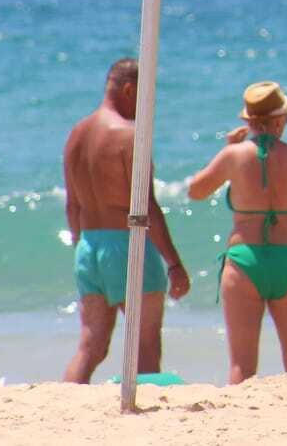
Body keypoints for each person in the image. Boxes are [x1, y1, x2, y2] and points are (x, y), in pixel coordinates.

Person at [187, 80, 287, 383]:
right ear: (280, 121)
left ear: (249, 122)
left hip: (244, 260)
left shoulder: (233, 155)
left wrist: (227, 149)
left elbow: (196, 191)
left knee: (241, 367)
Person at [62, 58, 190, 383]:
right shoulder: (130, 136)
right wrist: (174, 263)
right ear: (130, 90)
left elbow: (72, 205)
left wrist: (82, 247)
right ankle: (142, 409)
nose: (147, 108)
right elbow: (145, 206)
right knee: (145, 345)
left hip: (88, 247)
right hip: (127, 245)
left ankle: (66, 400)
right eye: (145, 98)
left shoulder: (76, 134)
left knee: (90, 346)